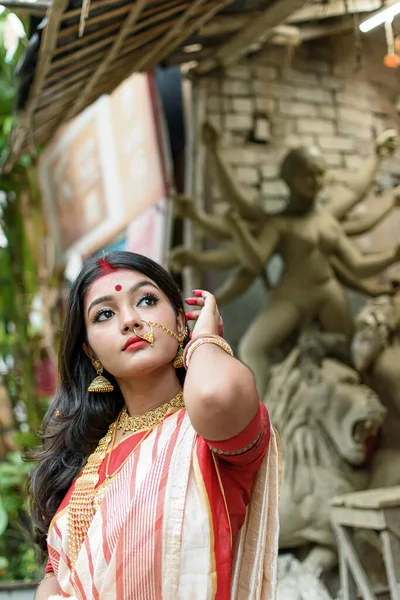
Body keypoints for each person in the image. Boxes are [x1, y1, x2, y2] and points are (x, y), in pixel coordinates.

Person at [30, 251, 280, 600]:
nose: (130, 320)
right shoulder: (89, 459)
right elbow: (57, 572)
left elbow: (214, 394)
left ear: (180, 322)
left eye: (146, 300)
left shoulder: (208, 431)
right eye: (105, 313)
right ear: (91, 353)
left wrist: (205, 340)